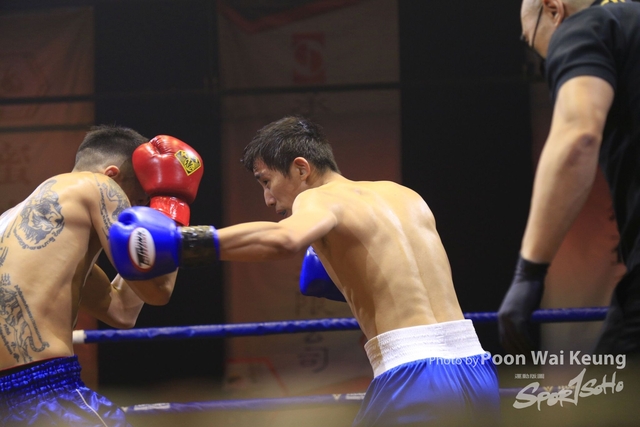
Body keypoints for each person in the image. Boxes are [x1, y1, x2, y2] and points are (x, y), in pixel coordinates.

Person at [109, 116, 500, 426]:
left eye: (267, 181)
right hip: (476, 367)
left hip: (417, 374)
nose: (267, 199)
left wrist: (181, 243)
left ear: (300, 168)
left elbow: (284, 240)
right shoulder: (404, 195)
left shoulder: (319, 199)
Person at [0, 125, 203, 426]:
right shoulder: (98, 185)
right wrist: (169, 208)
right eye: (140, 200)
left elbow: (121, 311)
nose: (140, 212)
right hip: (39, 388)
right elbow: (158, 289)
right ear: (112, 175)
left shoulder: (21, 222)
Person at [498, 0, 640, 358]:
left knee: (608, 391)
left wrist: (529, 273)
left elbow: (578, 138)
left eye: (532, 40)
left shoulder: (585, 29)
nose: (546, 61)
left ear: (553, 10)